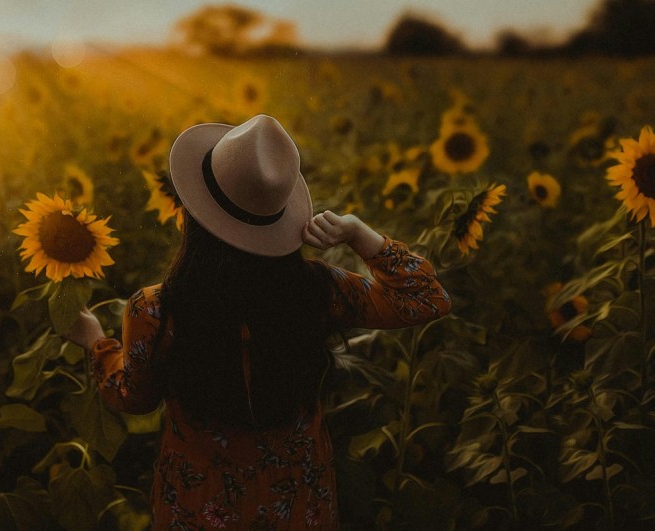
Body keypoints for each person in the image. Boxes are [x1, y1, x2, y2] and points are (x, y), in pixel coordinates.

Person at [67, 114, 451, 529]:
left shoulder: (156, 310)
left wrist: (97, 345)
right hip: (298, 502)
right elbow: (427, 299)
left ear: (194, 214)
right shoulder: (316, 290)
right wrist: (360, 234)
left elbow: (133, 398)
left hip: (200, 507)